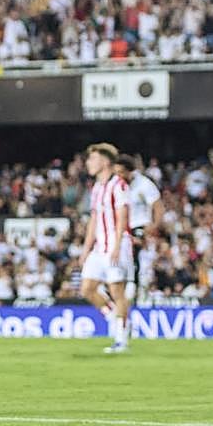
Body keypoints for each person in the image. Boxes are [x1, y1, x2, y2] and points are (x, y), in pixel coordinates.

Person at [79, 142, 133, 354]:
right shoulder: (97, 188)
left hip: (117, 244)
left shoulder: (119, 185)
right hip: (99, 246)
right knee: (87, 288)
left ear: (105, 161)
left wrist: (117, 245)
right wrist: (86, 249)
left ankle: (121, 340)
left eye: (92, 158)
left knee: (116, 290)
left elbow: (122, 217)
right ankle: (115, 318)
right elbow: (94, 220)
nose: (88, 163)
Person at [115, 154, 163, 295]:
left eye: (121, 172)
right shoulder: (118, 186)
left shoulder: (144, 184)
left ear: (129, 171)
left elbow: (159, 208)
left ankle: (140, 292)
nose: (118, 176)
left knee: (139, 264)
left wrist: (153, 227)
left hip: (140, 227)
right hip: (123, 229)